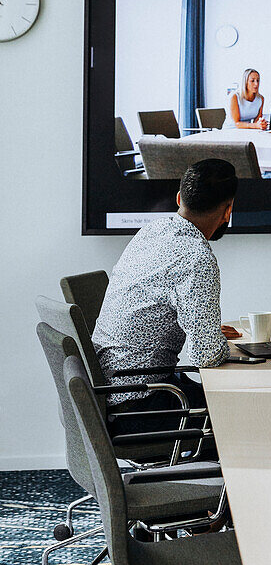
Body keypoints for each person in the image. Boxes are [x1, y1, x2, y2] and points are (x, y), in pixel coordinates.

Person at [92, 159, 242, 430]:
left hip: (109, 391)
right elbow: (205, 356)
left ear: (178, 198)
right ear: (228, 211)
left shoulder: (152, 231)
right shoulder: (197, 258)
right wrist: (213, 341)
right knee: (247, 411)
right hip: (140, 405)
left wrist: (205, 328)